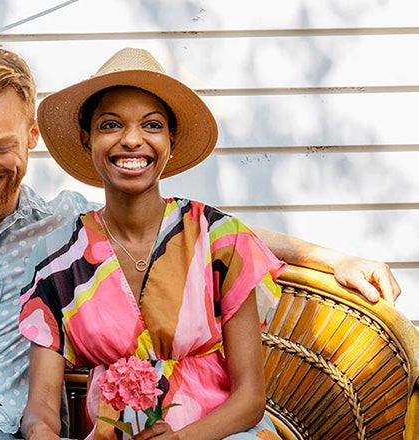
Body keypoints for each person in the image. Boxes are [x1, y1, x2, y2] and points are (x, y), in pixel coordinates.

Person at [0, 45, 400, 439]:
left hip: (12, 430)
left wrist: (333, 258)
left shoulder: (69, 228)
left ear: (32, 135)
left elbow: (192, 231)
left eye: (0, 147)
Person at [18, 48, 313, 439]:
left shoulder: (219, 241)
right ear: (88, 140)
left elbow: (250, 400)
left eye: (152, 125)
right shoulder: (59, 263)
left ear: (170, 140)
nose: (132, 140)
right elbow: (40, 410)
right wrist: (41, 433)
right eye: (110, 125)